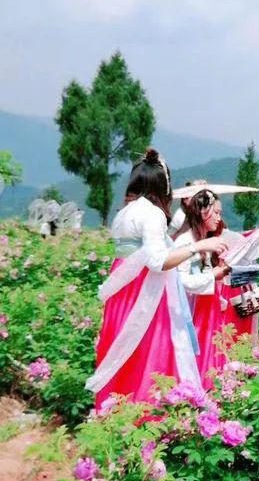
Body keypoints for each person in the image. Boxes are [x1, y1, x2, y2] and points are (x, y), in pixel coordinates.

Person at [85, 149, 227, 409]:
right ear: (165, 186)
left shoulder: (124, 213)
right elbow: (158, 261)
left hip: (123, 296)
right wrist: (198, 247)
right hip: (145, 296)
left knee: (124, 353)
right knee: (148, 357)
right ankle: (147, 416)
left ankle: (115, 412)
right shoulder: (151, 214)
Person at [173, 190, 230, 385]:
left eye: (220, 213)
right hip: (194, 313)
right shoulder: (186, 242)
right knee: (197, 358)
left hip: (208, 311)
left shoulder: (205, 240)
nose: (218, 218)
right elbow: (180, 282)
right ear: (202, 212)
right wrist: (212, 275)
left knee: (212, 355)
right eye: (215, 212)